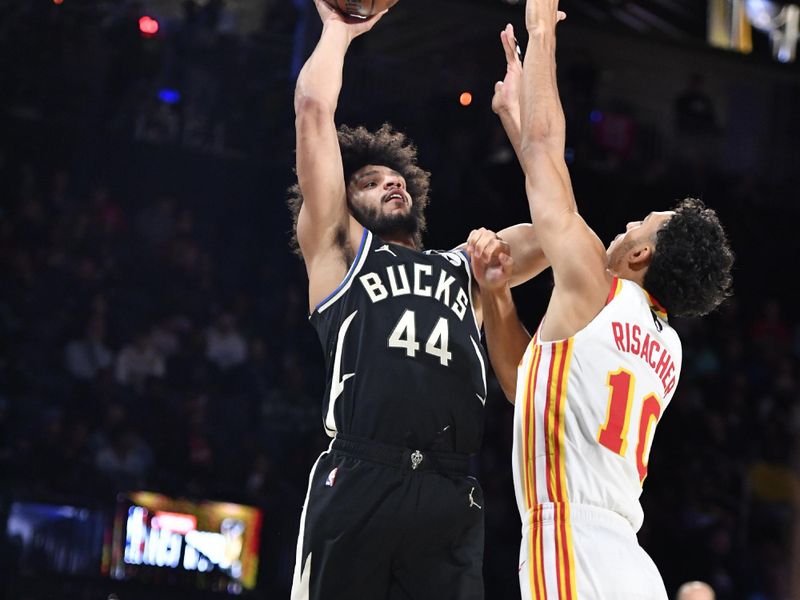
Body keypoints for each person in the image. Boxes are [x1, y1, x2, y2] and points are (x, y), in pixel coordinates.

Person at [468, 1, 735, 599]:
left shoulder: (597, 287)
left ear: (640, 257)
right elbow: (526, 385)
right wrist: (497, 299)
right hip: (628, 565)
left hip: (575, 548)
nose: (626, 225)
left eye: (641, 223)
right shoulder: (665, 349)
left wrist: (541, 32)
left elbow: (545, 151)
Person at [288, 3, 548, 599]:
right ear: (344, 202)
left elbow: (561, 232)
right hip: (361, 472)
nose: (390, 181)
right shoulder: (339, 251)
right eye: (369, 181)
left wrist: (519, 119)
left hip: (449, 489)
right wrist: (338, 32)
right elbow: (313, 109)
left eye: (394, 176)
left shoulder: (466, 265)